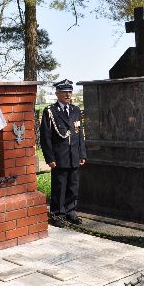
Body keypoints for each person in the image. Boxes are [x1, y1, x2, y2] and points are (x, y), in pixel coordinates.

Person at [40, 79, 87, 226]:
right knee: (59, 187)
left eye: (70, 91)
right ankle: (57, 214)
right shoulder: (50, 112)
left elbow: (79, 134)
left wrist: (82, 154)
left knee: (73, 186)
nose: (68, 94)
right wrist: (50, 158)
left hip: (74, 155)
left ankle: (70, 211)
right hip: (59, 157)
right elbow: (45, 137)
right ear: (57, 93)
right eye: (64, 92)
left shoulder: (75, 110)